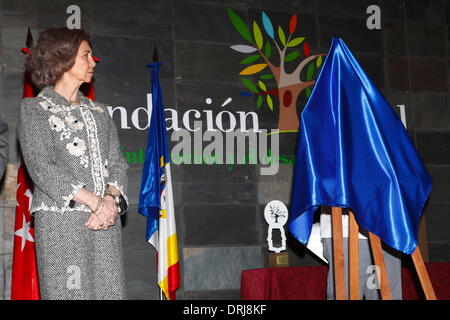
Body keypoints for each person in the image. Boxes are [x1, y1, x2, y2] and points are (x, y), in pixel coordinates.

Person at [18, 27, 129, 300]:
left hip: (104, 224)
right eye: (86, 55)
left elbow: (118, 163)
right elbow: (42, 167)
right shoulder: (34, 109)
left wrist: (110, 202)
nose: (93, 62)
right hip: (62, 226)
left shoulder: (99, 112)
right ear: (63, 59)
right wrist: (95, 202)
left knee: (110, 293)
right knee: (70, 294)